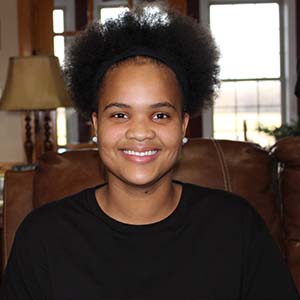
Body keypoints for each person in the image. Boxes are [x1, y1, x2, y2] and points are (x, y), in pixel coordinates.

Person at [1, 2, 299, 299]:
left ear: (183, 126)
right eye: (119, 114)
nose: (141, 132)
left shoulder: (236, 227)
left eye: (160, 115)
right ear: (95, 124)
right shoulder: (43, 237)